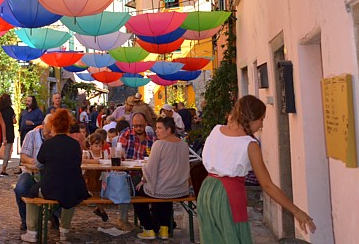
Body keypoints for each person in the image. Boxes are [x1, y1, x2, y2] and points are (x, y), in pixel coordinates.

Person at [199, 95, 316, 242]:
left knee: (212, 238)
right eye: (261, 120)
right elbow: (267, 185)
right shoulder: (249, 144)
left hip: (207, 190)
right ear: (251, 118)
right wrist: (296, 211)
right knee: (234, 236)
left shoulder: (216, 130)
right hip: (228, 194)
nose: (261, 125)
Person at [21, 109, 89, 243]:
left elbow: (39, 164)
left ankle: (32, 231)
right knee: (70, 195)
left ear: (53, 126)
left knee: (30, 193)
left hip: (50, 188)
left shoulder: (48, 144)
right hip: (73, 187)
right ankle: (64, 232)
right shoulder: (75, 144)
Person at [134, 117, 191, 240]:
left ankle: (148, 228)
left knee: (137, 195)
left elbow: (151, 169)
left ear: (169, 130)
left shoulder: (159, 144)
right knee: (163, 191)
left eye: (159, 128)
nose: (156, 131)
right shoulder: (184, 145)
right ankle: (164, 229)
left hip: (165, 189)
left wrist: (143, 179)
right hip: (180, 189)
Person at [115, 112, 156, 231]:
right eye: (136, 126)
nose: (138, 128)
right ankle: (123, 219)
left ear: (146, 124)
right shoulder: (126, 134)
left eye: (141, 126)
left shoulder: (151, 139)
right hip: (127, 173)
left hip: (145, 175)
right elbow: (118, 151)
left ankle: (155, 221)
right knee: (124, 184)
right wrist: (120, 152)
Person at [14, 114, 52, 232]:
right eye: (48, 129)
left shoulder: (56, 138)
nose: (49, 133)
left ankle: (54, 216)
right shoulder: (32, 135)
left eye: (52, 130)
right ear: (43, 125)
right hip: (31, 172)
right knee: (20, 189)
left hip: (49, 175)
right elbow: (24, 156)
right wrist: (35, 161)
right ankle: (26, 221)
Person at [82, 133, 110, 222]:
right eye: (96, 146)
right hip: (90, 177)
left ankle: (99, 208)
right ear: (91, 145)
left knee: (98, 188)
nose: (98, 148)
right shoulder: (87, 153)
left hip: (101, 177)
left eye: (100, 146)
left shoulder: (104, 153)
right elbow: (82, 159)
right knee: (94, 187)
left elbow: (108, 161)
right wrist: (94, 161)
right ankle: (101, 209)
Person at [0, 93, 17, 176]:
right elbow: (14, 121)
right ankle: (3, 169)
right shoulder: (10, 110)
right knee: (7, 151)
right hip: (9, 131)